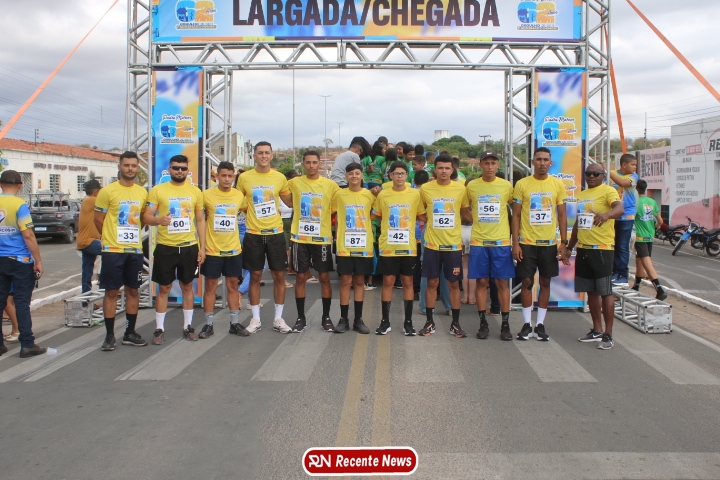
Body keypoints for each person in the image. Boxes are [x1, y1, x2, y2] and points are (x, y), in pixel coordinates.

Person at [143, 154, 206, 344]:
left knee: (187, 286)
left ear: (188, 171)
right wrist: (158, 220)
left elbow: (200, 220)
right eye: (176, 168)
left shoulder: (195, 191)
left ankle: (188, 326)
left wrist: (202, 247)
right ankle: (159, 329)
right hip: (166, 247)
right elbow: (146, 216)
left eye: (183, 168)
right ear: (169, 169)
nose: (179, 171)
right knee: (164, 288)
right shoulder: (158, 190)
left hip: (189, 247)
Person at [562, 163, 623, 350]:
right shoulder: (582, 195)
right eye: (588, 173)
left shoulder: (608, 191)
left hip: (602, 249)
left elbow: (620, 209)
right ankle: (597, 329)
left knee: (605, 292)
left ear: (603, 175)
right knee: (591, 291)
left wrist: (606, 215)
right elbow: (578, 224)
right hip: (584, 249)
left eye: (596, 174)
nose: (591, 176)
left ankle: (608, 334)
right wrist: (569, 247)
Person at [94, 151, 149, 350]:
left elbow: (142, 219)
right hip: (113, 250)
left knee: (133, 290)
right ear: (119, 166)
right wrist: (110, 237)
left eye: (133, 165)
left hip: (134, 250)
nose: (130, 169)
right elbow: (98, 219)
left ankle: (129, 332)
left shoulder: (142, 193)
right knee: (111, 291)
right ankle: (109, 336)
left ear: (138, 168)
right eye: (126, 165)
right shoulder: (107, 191)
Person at [511, 147, 567, 341]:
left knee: (545, 281)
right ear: (532, 161)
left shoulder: (557, 184)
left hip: (549, 243)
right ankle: (527, 324)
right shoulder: (522, 184)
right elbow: (516, 215)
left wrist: (564, 243)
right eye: (539, 159)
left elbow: (562, 215)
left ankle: (540, 324)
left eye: (545, 160)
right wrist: (515, 243)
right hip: (527, 242)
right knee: (527, 281)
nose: (542, 163)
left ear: (551, 163)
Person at [236, 141, 292, 334]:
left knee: (279, 275)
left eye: (267, 153)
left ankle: (278, 318)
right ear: (254, 155)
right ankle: (256, 319)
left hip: (275, 233)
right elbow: (238, 201)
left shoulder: (279, 177)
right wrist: (252, 210)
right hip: (253, 234)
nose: (264, 156)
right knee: (255, 276)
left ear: (272, 155)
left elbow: (290, 201)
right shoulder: (244, 178)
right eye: (260, 153)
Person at [281, 151, 339, 332]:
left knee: (324, 277)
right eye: (308, 162)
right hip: (300, 238)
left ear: (320, 164)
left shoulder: (330, 185)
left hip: (322, 238)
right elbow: (286, 199)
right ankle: (301, 318)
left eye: (315, 162)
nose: (311, 165)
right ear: (303, 164)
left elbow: (335, 207)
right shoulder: (294, 182)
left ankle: (326, 317)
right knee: (300, 277)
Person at [464, 151, 515, 340]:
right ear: (480, 165)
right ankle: (483, 323)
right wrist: (476, 221)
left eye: (493, 163)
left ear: (498, 165)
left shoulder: (506, 186)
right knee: (482, 282)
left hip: (501, 242)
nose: (490, 167)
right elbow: (464, 208)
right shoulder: (472, 186)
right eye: (486, 163)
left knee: (502, 282)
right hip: (479, 242)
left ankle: (505, 324)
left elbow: (514, 210)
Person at [418, 153, 470, 338]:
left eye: (447, 168)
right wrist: (429, 220)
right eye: (440, 168)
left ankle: (455, 324)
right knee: (432, 282)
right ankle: (429, 322)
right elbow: (419, 211)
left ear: (452, 170)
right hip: (432, 244)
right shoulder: (425, 189)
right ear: (435, 169)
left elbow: (465, 211)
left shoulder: (460, 189)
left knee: (454, 284)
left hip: (453, 245)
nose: (444, 171)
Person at [372, 161, 426, 335]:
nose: (400, 176)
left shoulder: (415, 194)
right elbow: (377, 216)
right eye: (396, 173)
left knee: (408, 282)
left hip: (408, 246)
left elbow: (421, 216)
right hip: (388, 246)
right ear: (391, 176)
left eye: (402, 173)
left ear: (407, 175)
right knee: (388, 282)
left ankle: (408, 323)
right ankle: (385, 321)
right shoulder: (383, 195)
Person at [199, 161, 248, 339]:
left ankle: (234, 323)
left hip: (233, 249)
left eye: (230, 176)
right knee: (211, 287)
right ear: (217, 176)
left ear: (233, 177)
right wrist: (201, 247)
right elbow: (200, 219)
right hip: (213, 250)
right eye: (223, 176)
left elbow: (248, 209)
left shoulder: (238, 195)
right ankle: (208, 325)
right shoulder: (206, 195)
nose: (227, 179)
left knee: (233, 285)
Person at [0, 170, 46, 358]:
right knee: (21, 303)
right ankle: (27, 344)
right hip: (20, 260)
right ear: (20, 185)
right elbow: (28, 235)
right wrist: (38, 260)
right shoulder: (20, 205)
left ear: (1, 184)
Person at [332, 163, 375, 334]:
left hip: (364, 246)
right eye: (351, 173)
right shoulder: (339, 195)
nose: (354, 176)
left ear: (362, 175)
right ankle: (343, 319)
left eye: (357, 173)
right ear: (346, 176)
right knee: (345, 281)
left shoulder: (369, 195)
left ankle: (358, 319)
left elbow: (376, 213)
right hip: (345, 246)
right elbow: (332, 214)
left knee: (359, 281)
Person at [631, 179, 667, 300]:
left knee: (646, 262)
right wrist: (655, 227)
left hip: (640, 237)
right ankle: (636, 286)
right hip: (650, 236)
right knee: (639, 260)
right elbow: (660, 221)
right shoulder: (652, 201)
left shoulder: (635, 202)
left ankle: (659, 289)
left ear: (636, 189)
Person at [609, 153, 638, 284]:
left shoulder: (633, 177)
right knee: (612, 245)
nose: (635, 167)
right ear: (624, 164)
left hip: (627, 216)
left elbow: (622, 183)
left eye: (635, 165)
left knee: (622, 246)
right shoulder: (612, 174)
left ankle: (622, 275)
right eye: (633, 164)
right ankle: (613, 272)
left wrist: (607, 171)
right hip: (612, 215)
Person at [77, 179, 102, 294]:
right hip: (89, 241)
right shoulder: (91, 200)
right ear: (96, 192)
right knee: (111, 252)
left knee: (87, 270)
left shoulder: (88, 202)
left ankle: (85, 298)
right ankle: (103, 281)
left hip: (85, 241)